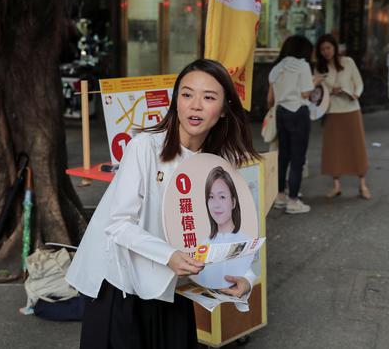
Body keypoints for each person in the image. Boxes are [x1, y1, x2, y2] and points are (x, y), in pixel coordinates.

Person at [66, 59, 260, 349]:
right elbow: (118, 224)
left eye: (208, 97)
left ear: (223, 110)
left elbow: (232, 230)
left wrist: (244, 277)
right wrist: (168, 255)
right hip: (123, 285)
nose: (195, 105)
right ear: (175, 101)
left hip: (173, 289)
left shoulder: (221, 164)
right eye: (187, 94)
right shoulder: (144, 147)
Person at [314, 34, 371, 200]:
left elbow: (358, 82)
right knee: (334, 148)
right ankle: (336, 185)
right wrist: (327, 89)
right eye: (323, 49)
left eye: (329, 48)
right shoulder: (319, 68)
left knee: (357, 146)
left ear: (335, 47)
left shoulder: (348, 62)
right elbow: (317, 92)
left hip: (351, 108)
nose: (326, 52)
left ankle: (362, 184)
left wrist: (356, 94)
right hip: (331, 110)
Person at [267, 35, 314, 214]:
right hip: (298, 113)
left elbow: (271, 98)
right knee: (297, 158)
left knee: (283, 156)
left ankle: (280, 196)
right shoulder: (302, 65)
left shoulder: (277, 67)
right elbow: (305, 93)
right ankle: (293, 201)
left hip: (281, 113)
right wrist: (315, 83)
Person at [194, 166, 255, 290]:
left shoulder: (246, 241)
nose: (216, 205)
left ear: (233, 202)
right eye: (211, 197)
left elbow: (249, 272)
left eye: (222, 197)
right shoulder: (203, 245)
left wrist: (248, 282)